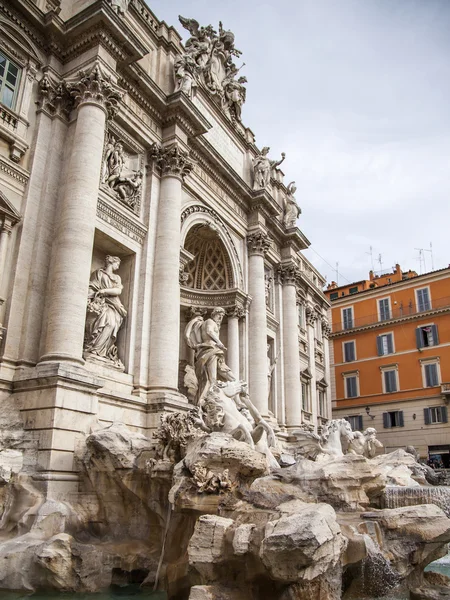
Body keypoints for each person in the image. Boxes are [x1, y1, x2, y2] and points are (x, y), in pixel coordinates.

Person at [185, 307, 235, 405]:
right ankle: (208, 401)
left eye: (221, 317)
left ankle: (211, 397)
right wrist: (219, 342)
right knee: (212, 378)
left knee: (218, 376)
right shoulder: (210, 321)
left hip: (211, 351)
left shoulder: (210, 322)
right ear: (214, 314)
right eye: (219, 316)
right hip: (210, 349)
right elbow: (209, 331)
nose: (220, 318)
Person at [84, 255, 127, 368]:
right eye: (117, 263)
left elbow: (118, 290)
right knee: (104, 321)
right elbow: (91, 286)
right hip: (100, 303)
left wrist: (104, 291)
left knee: (112, 324)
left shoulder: (117, 277)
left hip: (113, 304)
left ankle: (101, 351)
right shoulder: (98, 273)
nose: (118, 266)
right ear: (112, 262)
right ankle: (94, 349)